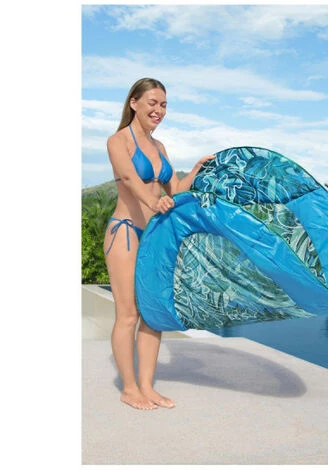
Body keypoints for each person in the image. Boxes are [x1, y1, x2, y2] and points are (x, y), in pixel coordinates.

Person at [104, 78, 215, 410]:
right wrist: (153, 203)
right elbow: (129, 178)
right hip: (125, 231)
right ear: (134, 103)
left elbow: (175, 191)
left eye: (164, 105)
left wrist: (195, 170)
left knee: (152, 314)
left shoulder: (160, 147)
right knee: (128, 314)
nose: (159, 110)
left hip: (154, 237)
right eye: (152, 102)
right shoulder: (118, 141)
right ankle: (129, 388)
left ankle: (147, 387)